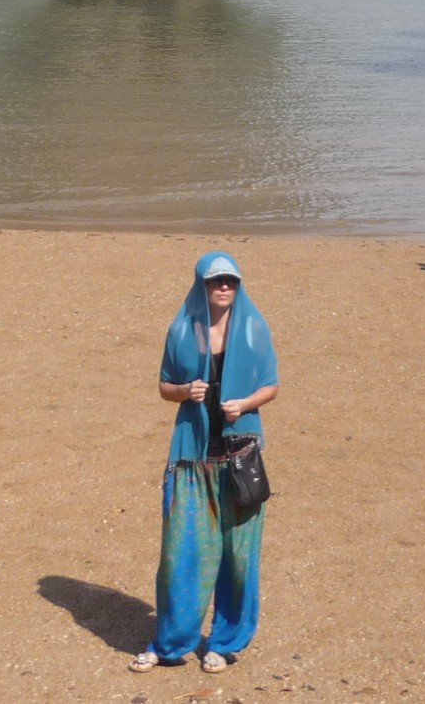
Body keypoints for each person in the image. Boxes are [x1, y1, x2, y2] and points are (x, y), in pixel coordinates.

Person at [132, 253, 279, 676]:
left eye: (231, 281)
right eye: (217, 282)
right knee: (182, 553)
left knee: (238, 555)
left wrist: (246, 403)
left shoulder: (253, 328)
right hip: (191, 457)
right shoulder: (181, 332)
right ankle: (170, 642)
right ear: (202, 284)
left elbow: (272, 385)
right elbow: (163, 386)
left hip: (240, 457)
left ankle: (225, 640)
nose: (224, 288)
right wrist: (185, 391)